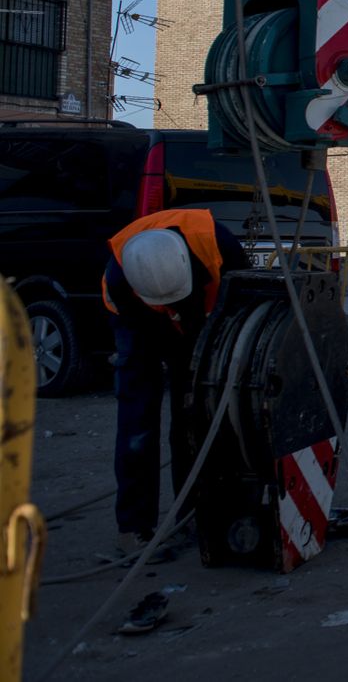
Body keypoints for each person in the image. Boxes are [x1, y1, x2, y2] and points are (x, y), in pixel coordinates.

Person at [101, 208, 251, 556]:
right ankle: (134, 527)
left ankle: (194, 510)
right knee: (138, 420)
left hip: (197, 319)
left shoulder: (219, 245)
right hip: (140, 325)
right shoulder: (120, 280)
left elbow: (242, 305)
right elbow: (141, 340)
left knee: (193, 412)